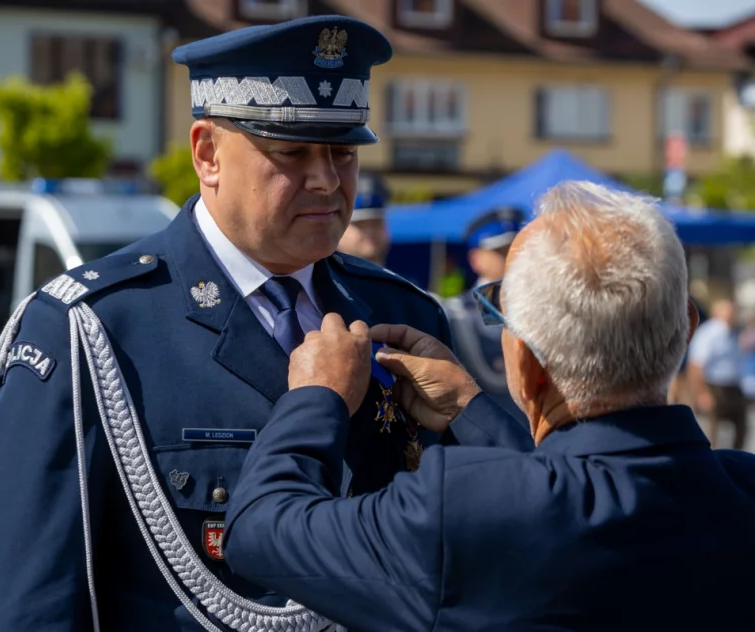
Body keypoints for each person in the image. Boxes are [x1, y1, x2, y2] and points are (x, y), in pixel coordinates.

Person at [0, 15, 502, 632]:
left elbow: (479, 550)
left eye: (343, 152)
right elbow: (22, 608)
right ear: (207, 153)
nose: (327, 179)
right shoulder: (92, 332)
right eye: (291, 152)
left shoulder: (402, 313)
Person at [223, 181, 755, 631]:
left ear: (524, 362)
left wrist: (318, 396)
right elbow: (588, 492)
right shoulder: (742, 488)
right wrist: (469, 407)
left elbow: (259, 530)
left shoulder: (462, 509)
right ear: (687, 328)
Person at [443, 206, 526, 421]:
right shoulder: (457, 314)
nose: (512, 257)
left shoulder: (544, 305)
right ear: (475, 258)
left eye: (517, 248)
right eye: (501, 251)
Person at [687, 298, 747, 449]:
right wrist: (702, 393)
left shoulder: (733, 332)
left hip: (732, 385)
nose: (732, 315)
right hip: (713, 384)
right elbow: (696, 365)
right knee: (713, 428)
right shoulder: (708, 334)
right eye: (728, 312)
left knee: (741, 425)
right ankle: (711, 456)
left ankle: (736, 455)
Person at [336, 172, 391, 266]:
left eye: (376, 223)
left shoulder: (404, 274)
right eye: (359, 224)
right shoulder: (316, 274)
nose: (370, 231)